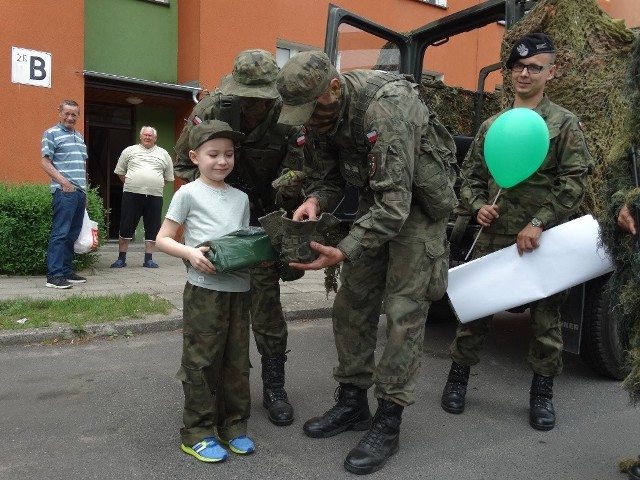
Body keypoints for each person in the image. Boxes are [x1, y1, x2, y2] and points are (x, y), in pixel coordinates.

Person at [275, 51, 457, 474]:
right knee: (351, 304)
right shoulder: (318, 116)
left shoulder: (386, 106)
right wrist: (313, 200)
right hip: (379, 204)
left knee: (402, 313)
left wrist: (345, 248)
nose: (309, 122)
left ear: (334, 87)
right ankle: (353, 402)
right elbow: (329, 177)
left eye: (313, 110)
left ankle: (388, 421)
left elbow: (397, 204)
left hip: (417, 211)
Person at [440, 33, 594, 432]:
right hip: (492, 234)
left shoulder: (563, 124)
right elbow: (470, 177)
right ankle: (458, 380)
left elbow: (574, 182)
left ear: (551, 73)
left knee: (546, 320)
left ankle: (541, 394)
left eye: (535, 68)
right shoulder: (494, 125)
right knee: (476, 310)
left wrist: (539, 221)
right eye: (519, 67)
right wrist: (477, 206)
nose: (525, 74)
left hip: (540, 239)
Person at [174, 49, 305, 427]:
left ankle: (275, 388)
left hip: (263, 223)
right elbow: (184, 161)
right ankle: (210, 394)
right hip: (218, 226)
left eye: (261, 97)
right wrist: (220, 186)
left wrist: (286, 185)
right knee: (213, 321)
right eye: (247, 95)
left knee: (267, 311)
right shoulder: (214, 108)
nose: (253, 105)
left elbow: (305, 168)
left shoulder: (290, 115)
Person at [156, 120, 254, 463]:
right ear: (195, 157)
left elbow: (240, 243)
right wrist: (191, 253)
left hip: (240, 290)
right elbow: (163, 239)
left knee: (237, 362)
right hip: (205, 292)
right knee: (202, 361)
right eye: (213, 154)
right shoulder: (187, 193)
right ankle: (197, 432)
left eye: (228, 154)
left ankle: (234, 427)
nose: (222, 161)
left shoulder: (241, 198)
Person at [41, 99, 89, 290]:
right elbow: (45, 162)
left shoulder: (79, 136)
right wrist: (64, 183)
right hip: (65, 191)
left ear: (78, 116)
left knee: (72, 234)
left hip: (79, 193)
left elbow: (83, 167)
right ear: (59, 113)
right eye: (67, 113)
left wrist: (85, 193)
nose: (70, 117)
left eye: (74, 114)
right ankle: (54, 276)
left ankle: (66, 271)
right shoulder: (51, 134)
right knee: (60, 233)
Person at [111, 126, 174, 269]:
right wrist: (134, 184)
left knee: (153, 227)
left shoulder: (164, 154)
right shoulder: (129, 151)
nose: (147, 137)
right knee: (126, 225)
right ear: (140, 137)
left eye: (150, 135)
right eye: (145, 135)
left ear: (155, 138)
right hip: (131, 194)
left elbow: (168, 177)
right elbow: (120, 172)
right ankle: (121, 259)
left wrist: (153, 185)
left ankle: (148, 259)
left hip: (154, 196)